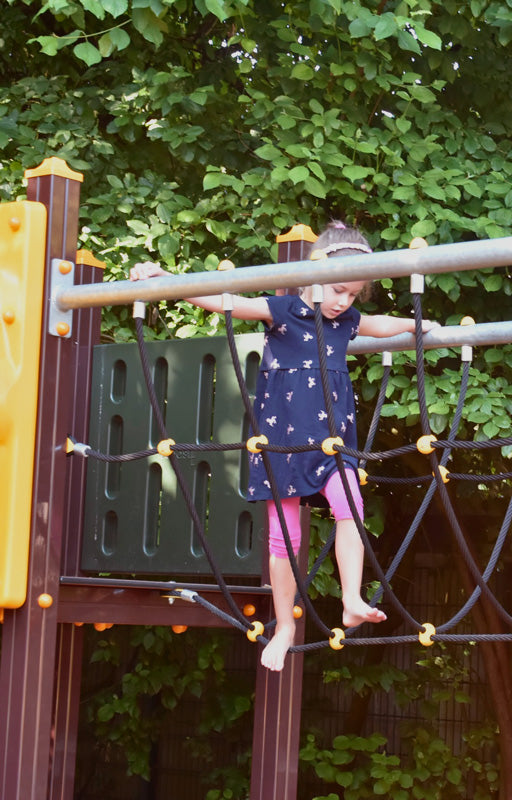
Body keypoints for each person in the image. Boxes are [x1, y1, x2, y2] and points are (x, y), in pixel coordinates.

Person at [129, 221, 438, 671]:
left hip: (332, 442)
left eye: (352, 294)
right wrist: (168, 283)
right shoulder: (284, 311)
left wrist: (419, 325)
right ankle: (286, 625)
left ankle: (351, 598)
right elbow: (227, 301)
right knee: (285, 537)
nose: (343, 302)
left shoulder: (346, 321)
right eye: (337, 290)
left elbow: (378, 324)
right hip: (282, 445)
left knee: (350, 504)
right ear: (313, 277)